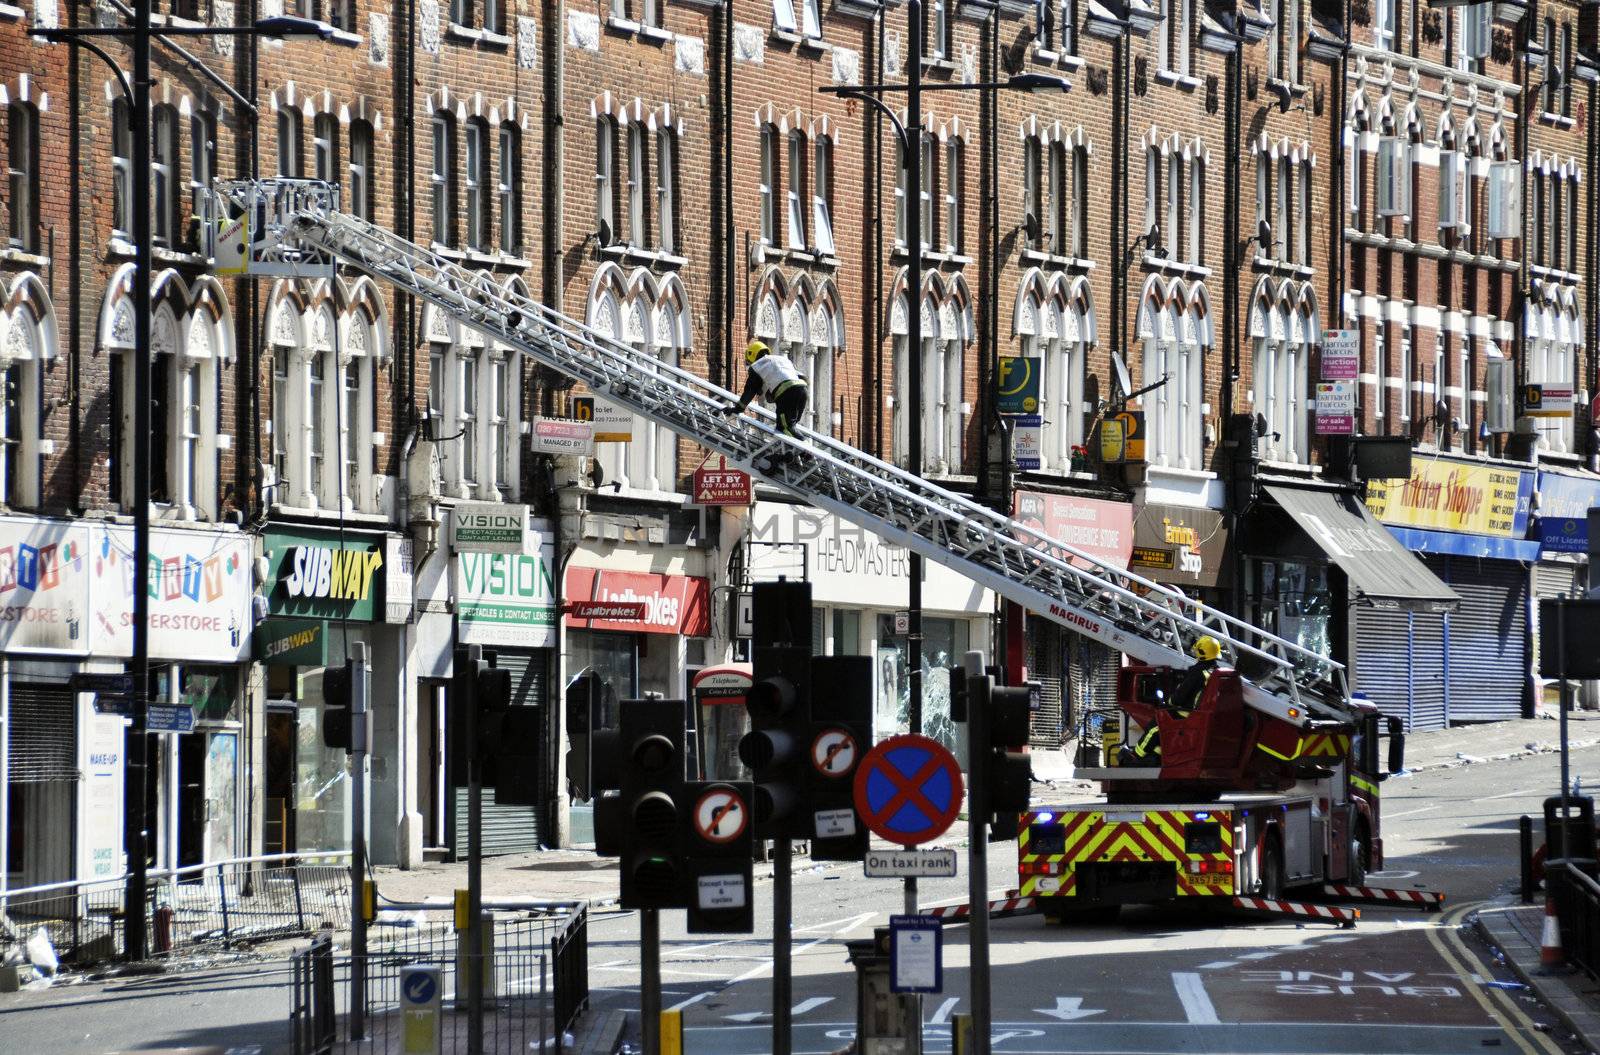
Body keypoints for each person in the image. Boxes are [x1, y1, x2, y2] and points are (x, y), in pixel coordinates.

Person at [1120, 635, 1222, 768]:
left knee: (1157, 725)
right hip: (1201, 714)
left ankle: (1136, 756)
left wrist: (1168, 704)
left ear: (1202, 653)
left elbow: (1179, 698)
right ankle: (1156, 756)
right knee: (1165, 727)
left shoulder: (1198, 673)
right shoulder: (1216, 671)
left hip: (1188, 714)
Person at [722, 339, 809, 438]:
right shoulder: (782, 360)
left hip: (788, 395)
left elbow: (750, 390)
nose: (750, 364)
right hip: (803, 391)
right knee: (789, 428)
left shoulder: (757, 365)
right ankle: (794, 452)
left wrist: (737, 409)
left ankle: (805, 452)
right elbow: (801, 378)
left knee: (784, 429)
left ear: (752, 355)